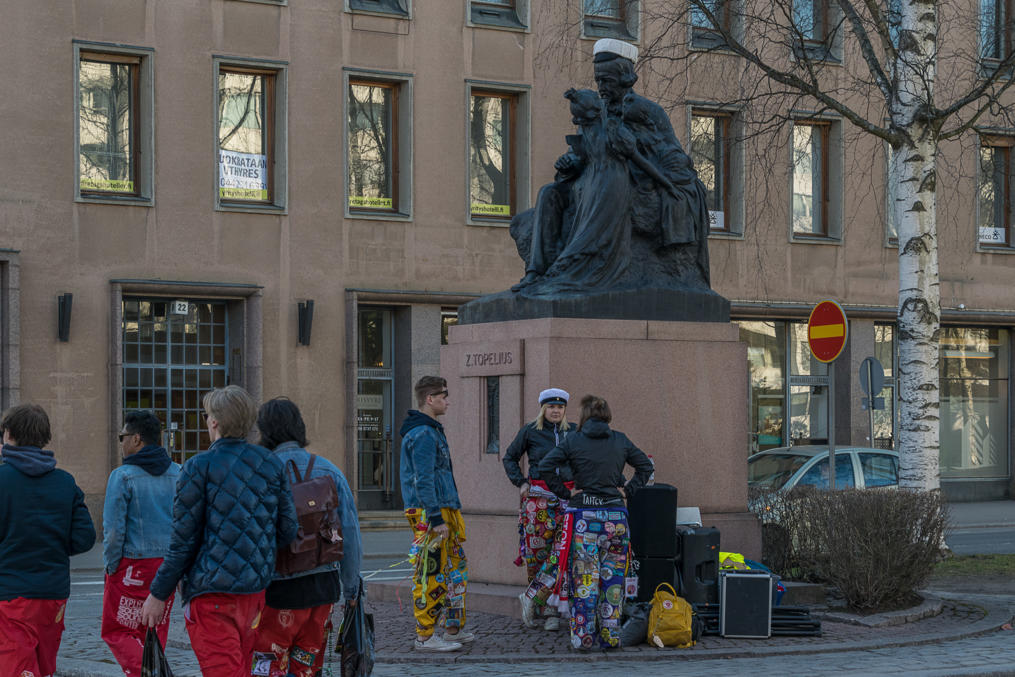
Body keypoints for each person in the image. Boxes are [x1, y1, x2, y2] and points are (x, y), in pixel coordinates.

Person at [139, 385, 298, 677]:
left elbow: (182, 542)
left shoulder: (198, 467)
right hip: (254, 592)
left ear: (214, 422)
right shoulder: (270, 464)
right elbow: (288, 529)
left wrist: (157, 594)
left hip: (211, 595)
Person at [252, 397, 362, 677]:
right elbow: (349, 533)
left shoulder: (260, 472)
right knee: (307, 668)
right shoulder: (329, 470)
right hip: (322, 588)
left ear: (265, 431)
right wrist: (351, 589)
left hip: (276, 590)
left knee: (267, 666)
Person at [537, 394, 654, 650]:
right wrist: (628, 490)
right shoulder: (620, 439)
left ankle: (583, 636)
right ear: (607, 415)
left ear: (584, 416)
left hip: (584, 519)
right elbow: (645, 466)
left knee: (585, 579)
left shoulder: (573, 440)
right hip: (615, 517)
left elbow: (545, 466)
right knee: (613, 580)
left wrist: (566, 493)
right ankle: (611, 635)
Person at [0, 403, 96, 677]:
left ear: (9, 434)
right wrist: (52, 543)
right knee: (44, 666)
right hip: (53, 592)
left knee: (14, 666)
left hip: (10, 591)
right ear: (44, 438)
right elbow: (85, 538)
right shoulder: (65, 482)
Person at [101, 411, 180, 676]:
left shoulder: (122, 476)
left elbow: (113, 530)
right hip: (167, 567)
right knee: (154, 630)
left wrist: (111, 566)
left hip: (132, 565)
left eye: (123, 436)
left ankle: (152, 673)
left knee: (117, 630)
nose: (121, 442)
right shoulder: (178, 473)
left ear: (136, 439)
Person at [399, 375, 472, 652]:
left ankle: (452, 628)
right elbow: (423, 479)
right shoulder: (424, 434)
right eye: (443, 396)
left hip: (443, 508)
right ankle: (426, 635)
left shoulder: (431, 430)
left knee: (455, 570)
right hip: (432, 512)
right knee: (432, 572)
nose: (448, 401)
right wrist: (436, 517)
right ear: (430, 399)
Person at [502, 387, 576, 631]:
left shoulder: (573, 432)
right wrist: (521, 482)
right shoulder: (531, 431)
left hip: (567, 499)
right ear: (543, 409)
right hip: (539, 500)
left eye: (560, 407)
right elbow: (510, 457)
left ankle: (546, 604)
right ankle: (544, 609)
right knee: (538, 555)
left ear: (565, 409)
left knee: (563, 554)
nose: (556, 411)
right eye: (551, 407)